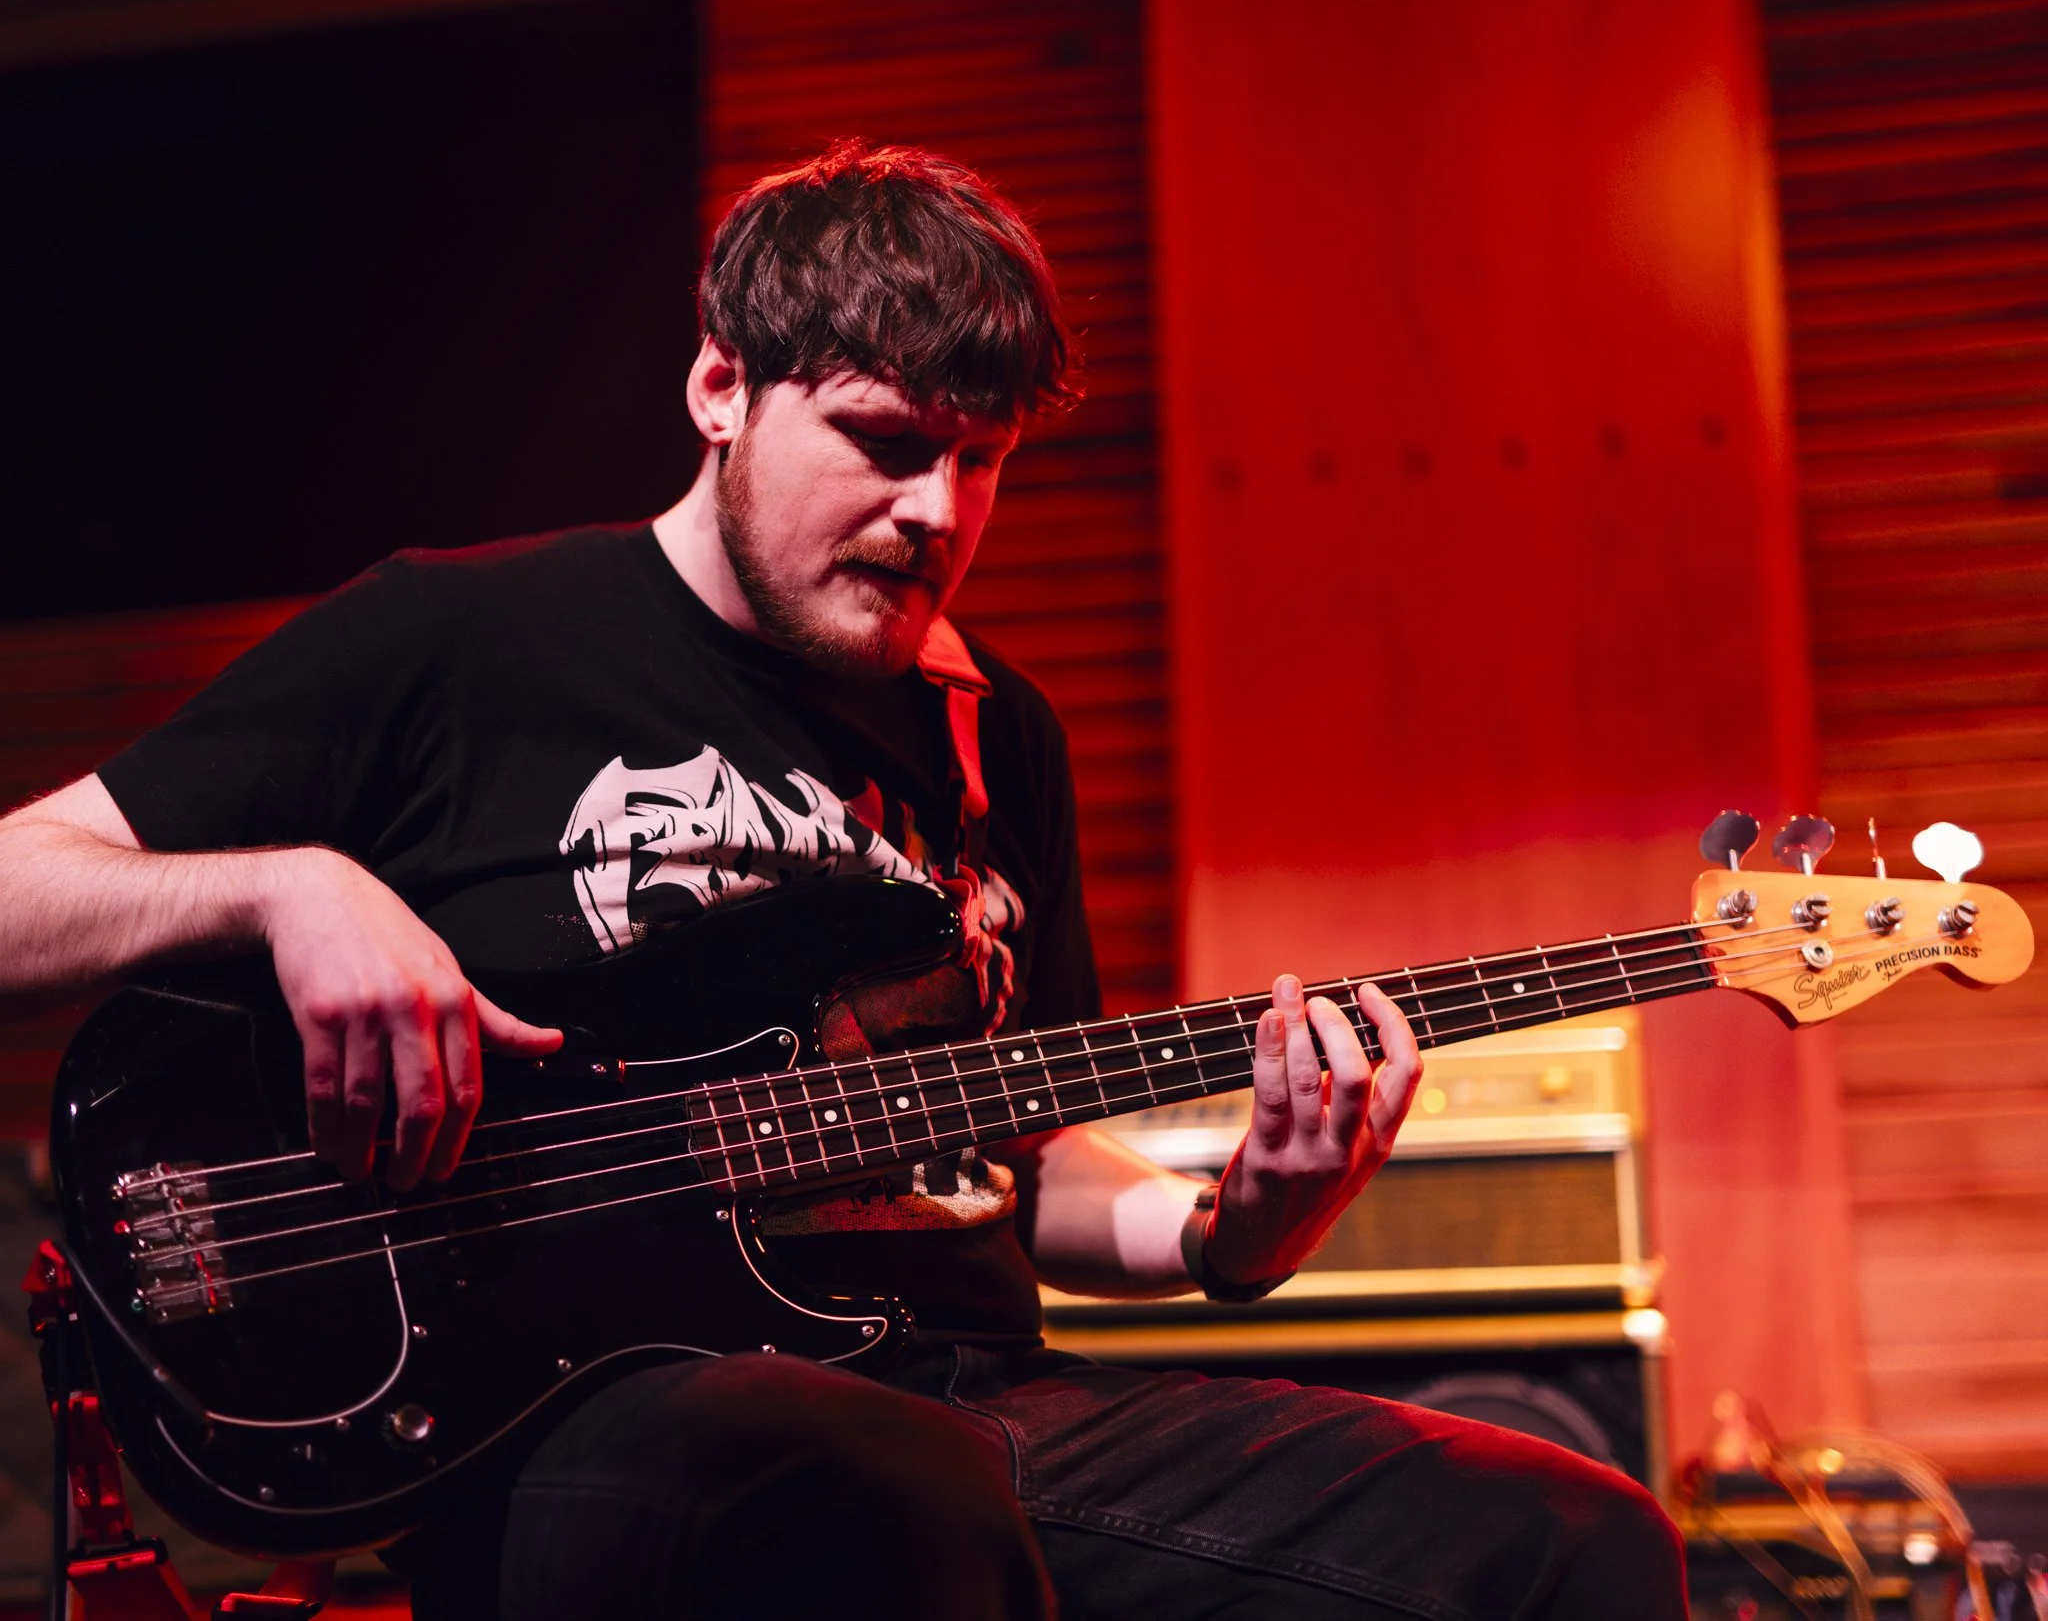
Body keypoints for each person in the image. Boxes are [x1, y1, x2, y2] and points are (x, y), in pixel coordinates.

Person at [0, 142, 1685, 1619]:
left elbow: (1015, 1145)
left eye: (983, 458)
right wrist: (293, 887)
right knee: (875, 1495)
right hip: (604, 1424)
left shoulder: (989, 729)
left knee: (1564, 1530)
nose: (934, 511)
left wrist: (1234, 1227)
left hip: (980, 1403)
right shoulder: (462, 636)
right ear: (721, 386)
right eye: (882, 442)